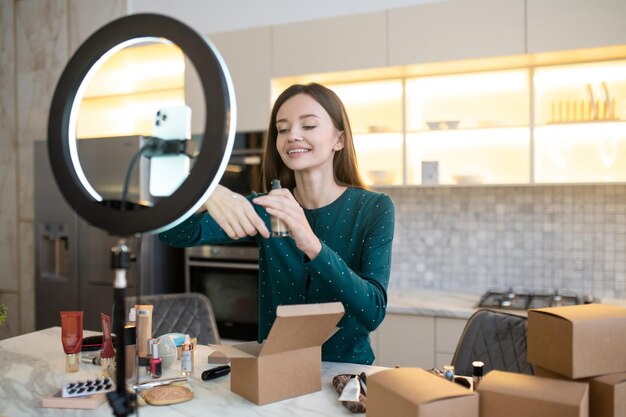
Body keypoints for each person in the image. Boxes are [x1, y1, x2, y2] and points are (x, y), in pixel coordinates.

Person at [159, 83, 394, 364]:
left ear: (339, 140)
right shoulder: (266, 207)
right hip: (276, 370)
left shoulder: (374, 208)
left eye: (308, 125)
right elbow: (174, 235)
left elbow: (373, 311)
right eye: (282, 129)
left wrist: (312, 244)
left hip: (346, 375)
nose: (292, 135)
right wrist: (205, 192)